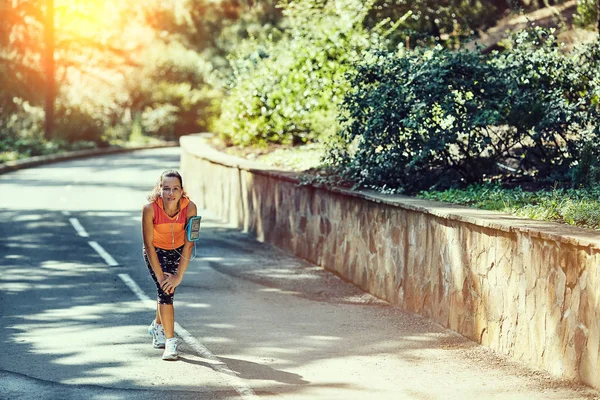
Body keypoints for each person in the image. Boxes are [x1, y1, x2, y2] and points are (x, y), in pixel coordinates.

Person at [142, 169, 197, 360]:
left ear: (182, 190)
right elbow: (148, 245)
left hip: (179, 251)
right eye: (166, 188)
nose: (170, 193)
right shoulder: (150, 208)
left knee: (166, 288)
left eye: (175, 189)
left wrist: (178, 276)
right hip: (155, 251)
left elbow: (190, 243)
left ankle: (157, 326)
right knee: (165, 289)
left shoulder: (190, 208)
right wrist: (160, 276)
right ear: (160, 189)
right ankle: (170, 342)